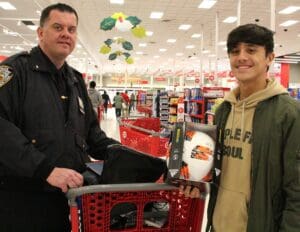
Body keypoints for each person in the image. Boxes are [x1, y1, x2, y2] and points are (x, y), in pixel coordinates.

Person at [0, 3, 120, 231]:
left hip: (64, 200)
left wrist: (132, 158)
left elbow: (94, 136)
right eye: (58, 27)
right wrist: (45, 170)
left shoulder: (75, 81)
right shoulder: (15, 71)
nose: (66, 34)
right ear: (41, 33)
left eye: (72, 29)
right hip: (19, 200)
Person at [181, 24, 300, 232]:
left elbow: (296, 189)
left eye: (251, 50)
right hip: (219, 223)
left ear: (270, 58)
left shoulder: (289, 113)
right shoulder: (223, 110)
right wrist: (196, 182)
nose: (241, 57)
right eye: (235, 51)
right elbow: (219, 168)